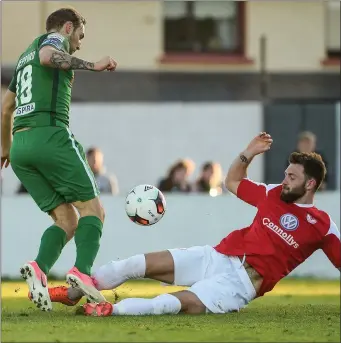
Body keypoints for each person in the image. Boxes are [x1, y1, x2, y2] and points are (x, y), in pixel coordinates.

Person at [38, 133, 340, 316]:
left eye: (292, 177)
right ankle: (74, 292)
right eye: (286, 174)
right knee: (132, 264)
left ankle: (110, 310)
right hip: (217, 256)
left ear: (310, 184)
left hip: (241, 283)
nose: (285, 180)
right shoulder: (274, 194)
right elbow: (233, 181)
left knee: (169, 305)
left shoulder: (322, 226)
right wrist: (248, 152)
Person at [1, 7, 117, 312]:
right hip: (50, 135)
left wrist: (5, 148)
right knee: (94, 210)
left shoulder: (23, 57)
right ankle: (81, 273)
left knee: (67, 220)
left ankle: (39, 268)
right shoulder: (53, 41)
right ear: (68, 27)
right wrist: (93, 65)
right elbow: (48, 57)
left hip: (20, 147)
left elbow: (4, 108)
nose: (79, 43)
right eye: (80, 35)